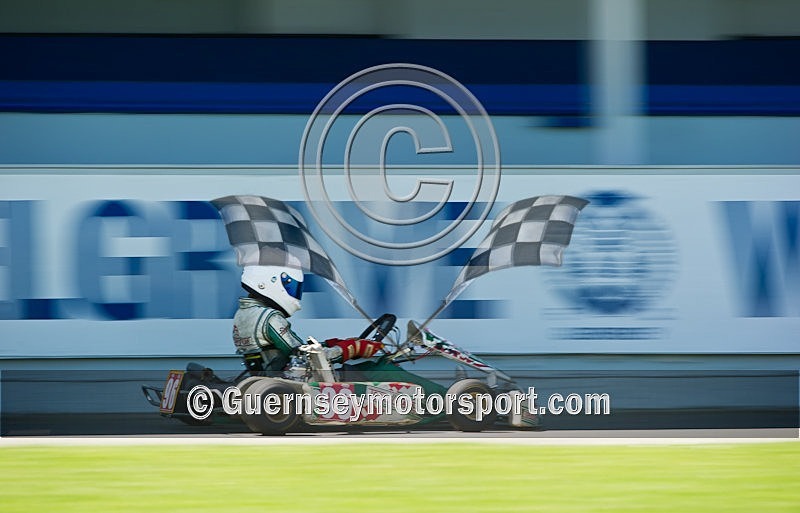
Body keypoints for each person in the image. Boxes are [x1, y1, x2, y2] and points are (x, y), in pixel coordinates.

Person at [232, 265, 383, 375]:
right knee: (378, 370)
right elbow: (304, 356)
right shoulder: (269, 317)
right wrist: (350, 349)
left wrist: (329, 344)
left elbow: (293, 349)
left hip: (268, 376)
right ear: (268, 283)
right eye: (290, 287)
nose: (294, 293)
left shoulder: (243, 313)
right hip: (291, 381)